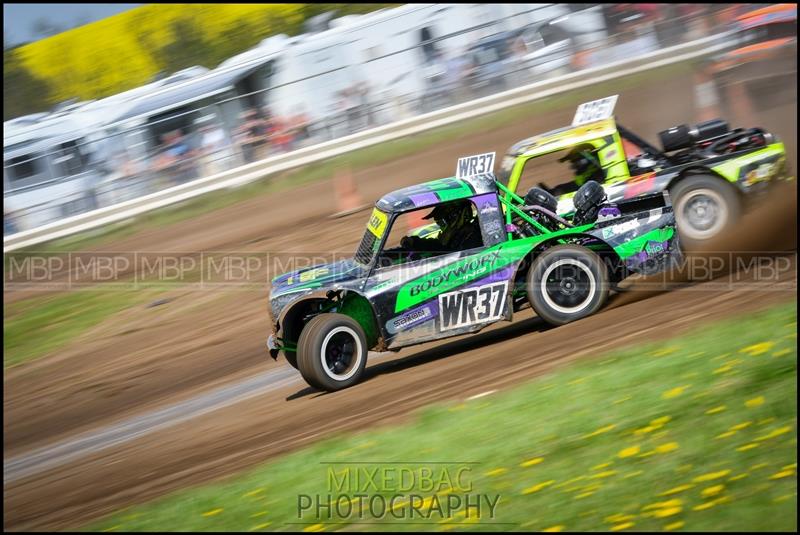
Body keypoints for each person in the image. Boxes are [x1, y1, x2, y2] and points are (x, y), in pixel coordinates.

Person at [400, 201, 483, 255]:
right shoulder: (458, 236)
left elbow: (448, 255)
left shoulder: (472, 238)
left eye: (441, 223)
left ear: (455, 218)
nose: (440, 227)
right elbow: (438, 245)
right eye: (438, 223)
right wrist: (414, 242)